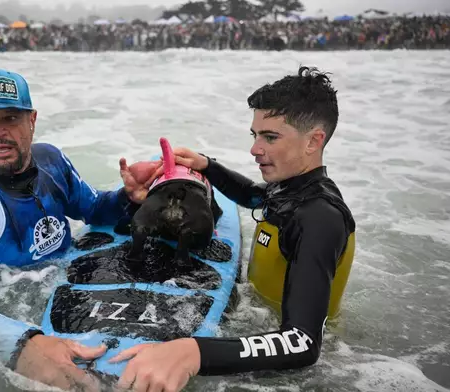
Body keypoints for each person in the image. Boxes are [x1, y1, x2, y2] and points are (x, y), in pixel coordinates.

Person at [108, 66, 357, 392]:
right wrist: (207, 166)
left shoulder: (320, 218)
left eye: (270, 137)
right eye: (255, 136)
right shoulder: (290, 189)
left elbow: (303, 342)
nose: (255, 149)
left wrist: (191, 352)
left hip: (292, 375)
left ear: (313, 141)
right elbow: (255, 196)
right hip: (256, 326)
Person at [0, 68, 163, 390]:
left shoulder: (50, 160)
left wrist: (128, 197)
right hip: (13, 306)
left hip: (70, 284)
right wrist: (25, 345)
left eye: (10, 118)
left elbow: (92, 209)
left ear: (32, 120)